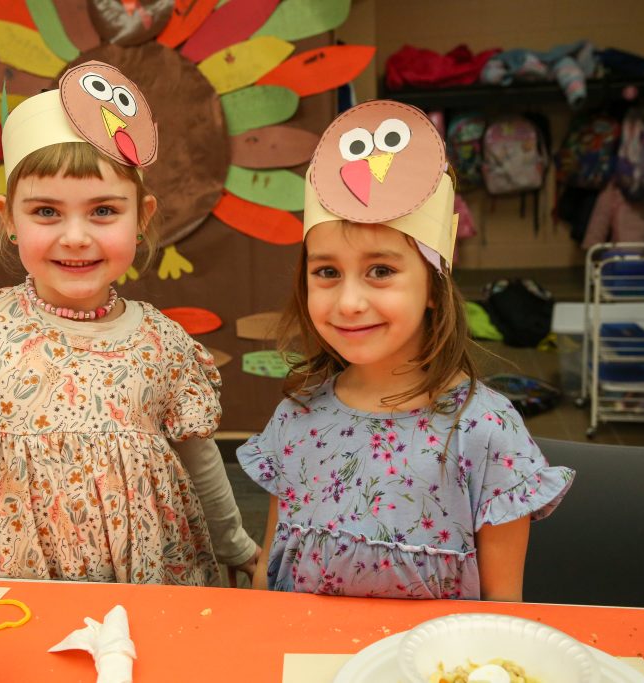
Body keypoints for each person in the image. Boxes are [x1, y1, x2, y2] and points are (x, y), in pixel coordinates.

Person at [0, 61, 259, 585]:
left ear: (141, 219)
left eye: (103, 211)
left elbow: (202, 459)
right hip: (28, 591)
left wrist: (237, 546)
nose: (75, 236)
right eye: (46, 212)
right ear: (9, 218)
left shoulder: (163, 342)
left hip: (155, 586)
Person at [237, 100, 573, 600]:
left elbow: (504, 612)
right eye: (327, 272)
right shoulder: (295, 418)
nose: (349, 302)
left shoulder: (486, 431)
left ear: (435, 288)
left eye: (381, 271)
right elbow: (271, 571)